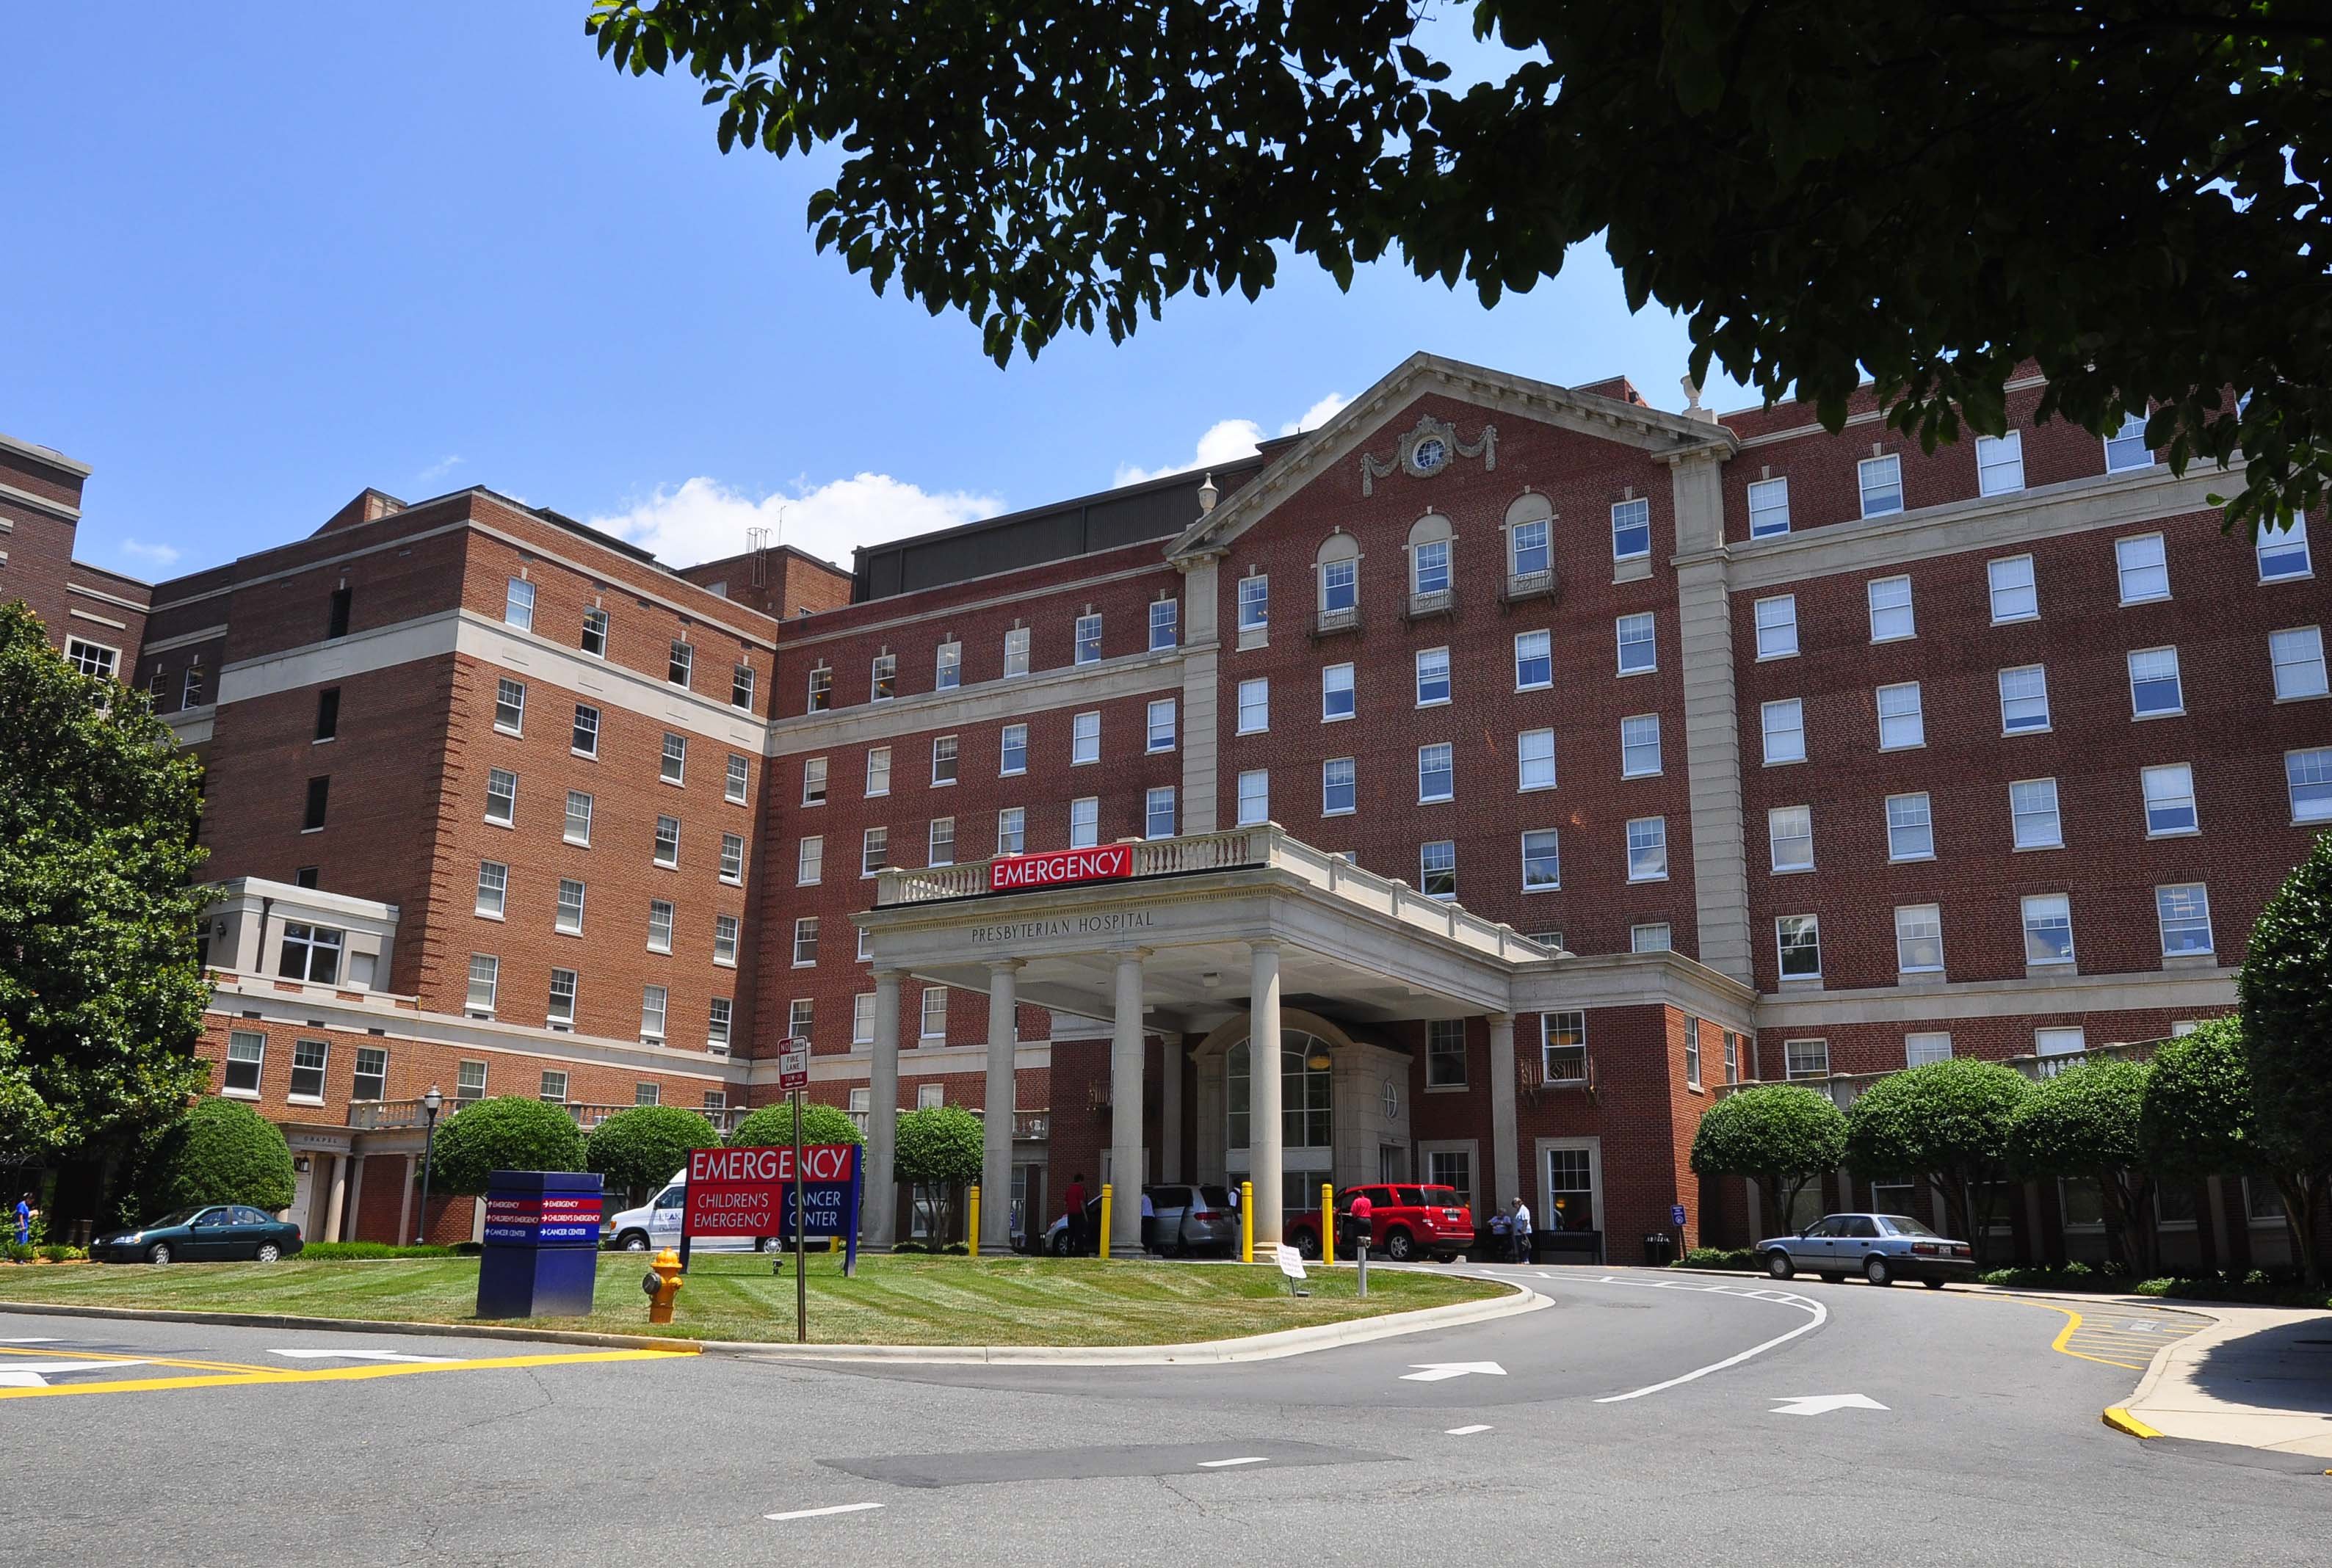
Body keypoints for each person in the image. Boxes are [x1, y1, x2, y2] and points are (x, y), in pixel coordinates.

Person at [1062, 1173, 1089, 1257]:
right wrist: (1085, 1215)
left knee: (1071, 1233)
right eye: (1082, 1181)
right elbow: (1081, 1203)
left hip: (1070, 1214)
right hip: (1078, 1214)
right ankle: (1078, 1252)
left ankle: (1069, 1251)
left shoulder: (1069, 1189)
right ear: (1080, 1180)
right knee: (1078, 1234)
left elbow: (1065, 1203)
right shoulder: (1080, 1189)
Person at [1512, 1197, 1534, 1264]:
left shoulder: (1524, 1210)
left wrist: (1523, 1230)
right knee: (1520, 1246)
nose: (1514, 1206)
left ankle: (1526, 1259)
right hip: (1518, 1232)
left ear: (1519, 1203)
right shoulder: (1518, 1211)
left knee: (1525, 1246)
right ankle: (1522, 1260)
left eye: (1515, 1204)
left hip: (1523, 1232)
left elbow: (1525, 1220)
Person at [1139, 1188, 1155, 1254]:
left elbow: (1141, 1209)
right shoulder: (1147, 1198)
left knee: (1144, 1234)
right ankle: (1150, 1250)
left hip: (1145, 1217)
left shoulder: (1141, 1198)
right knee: (1150, 1234)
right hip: (1151, 1216)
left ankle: (1146, 1249)